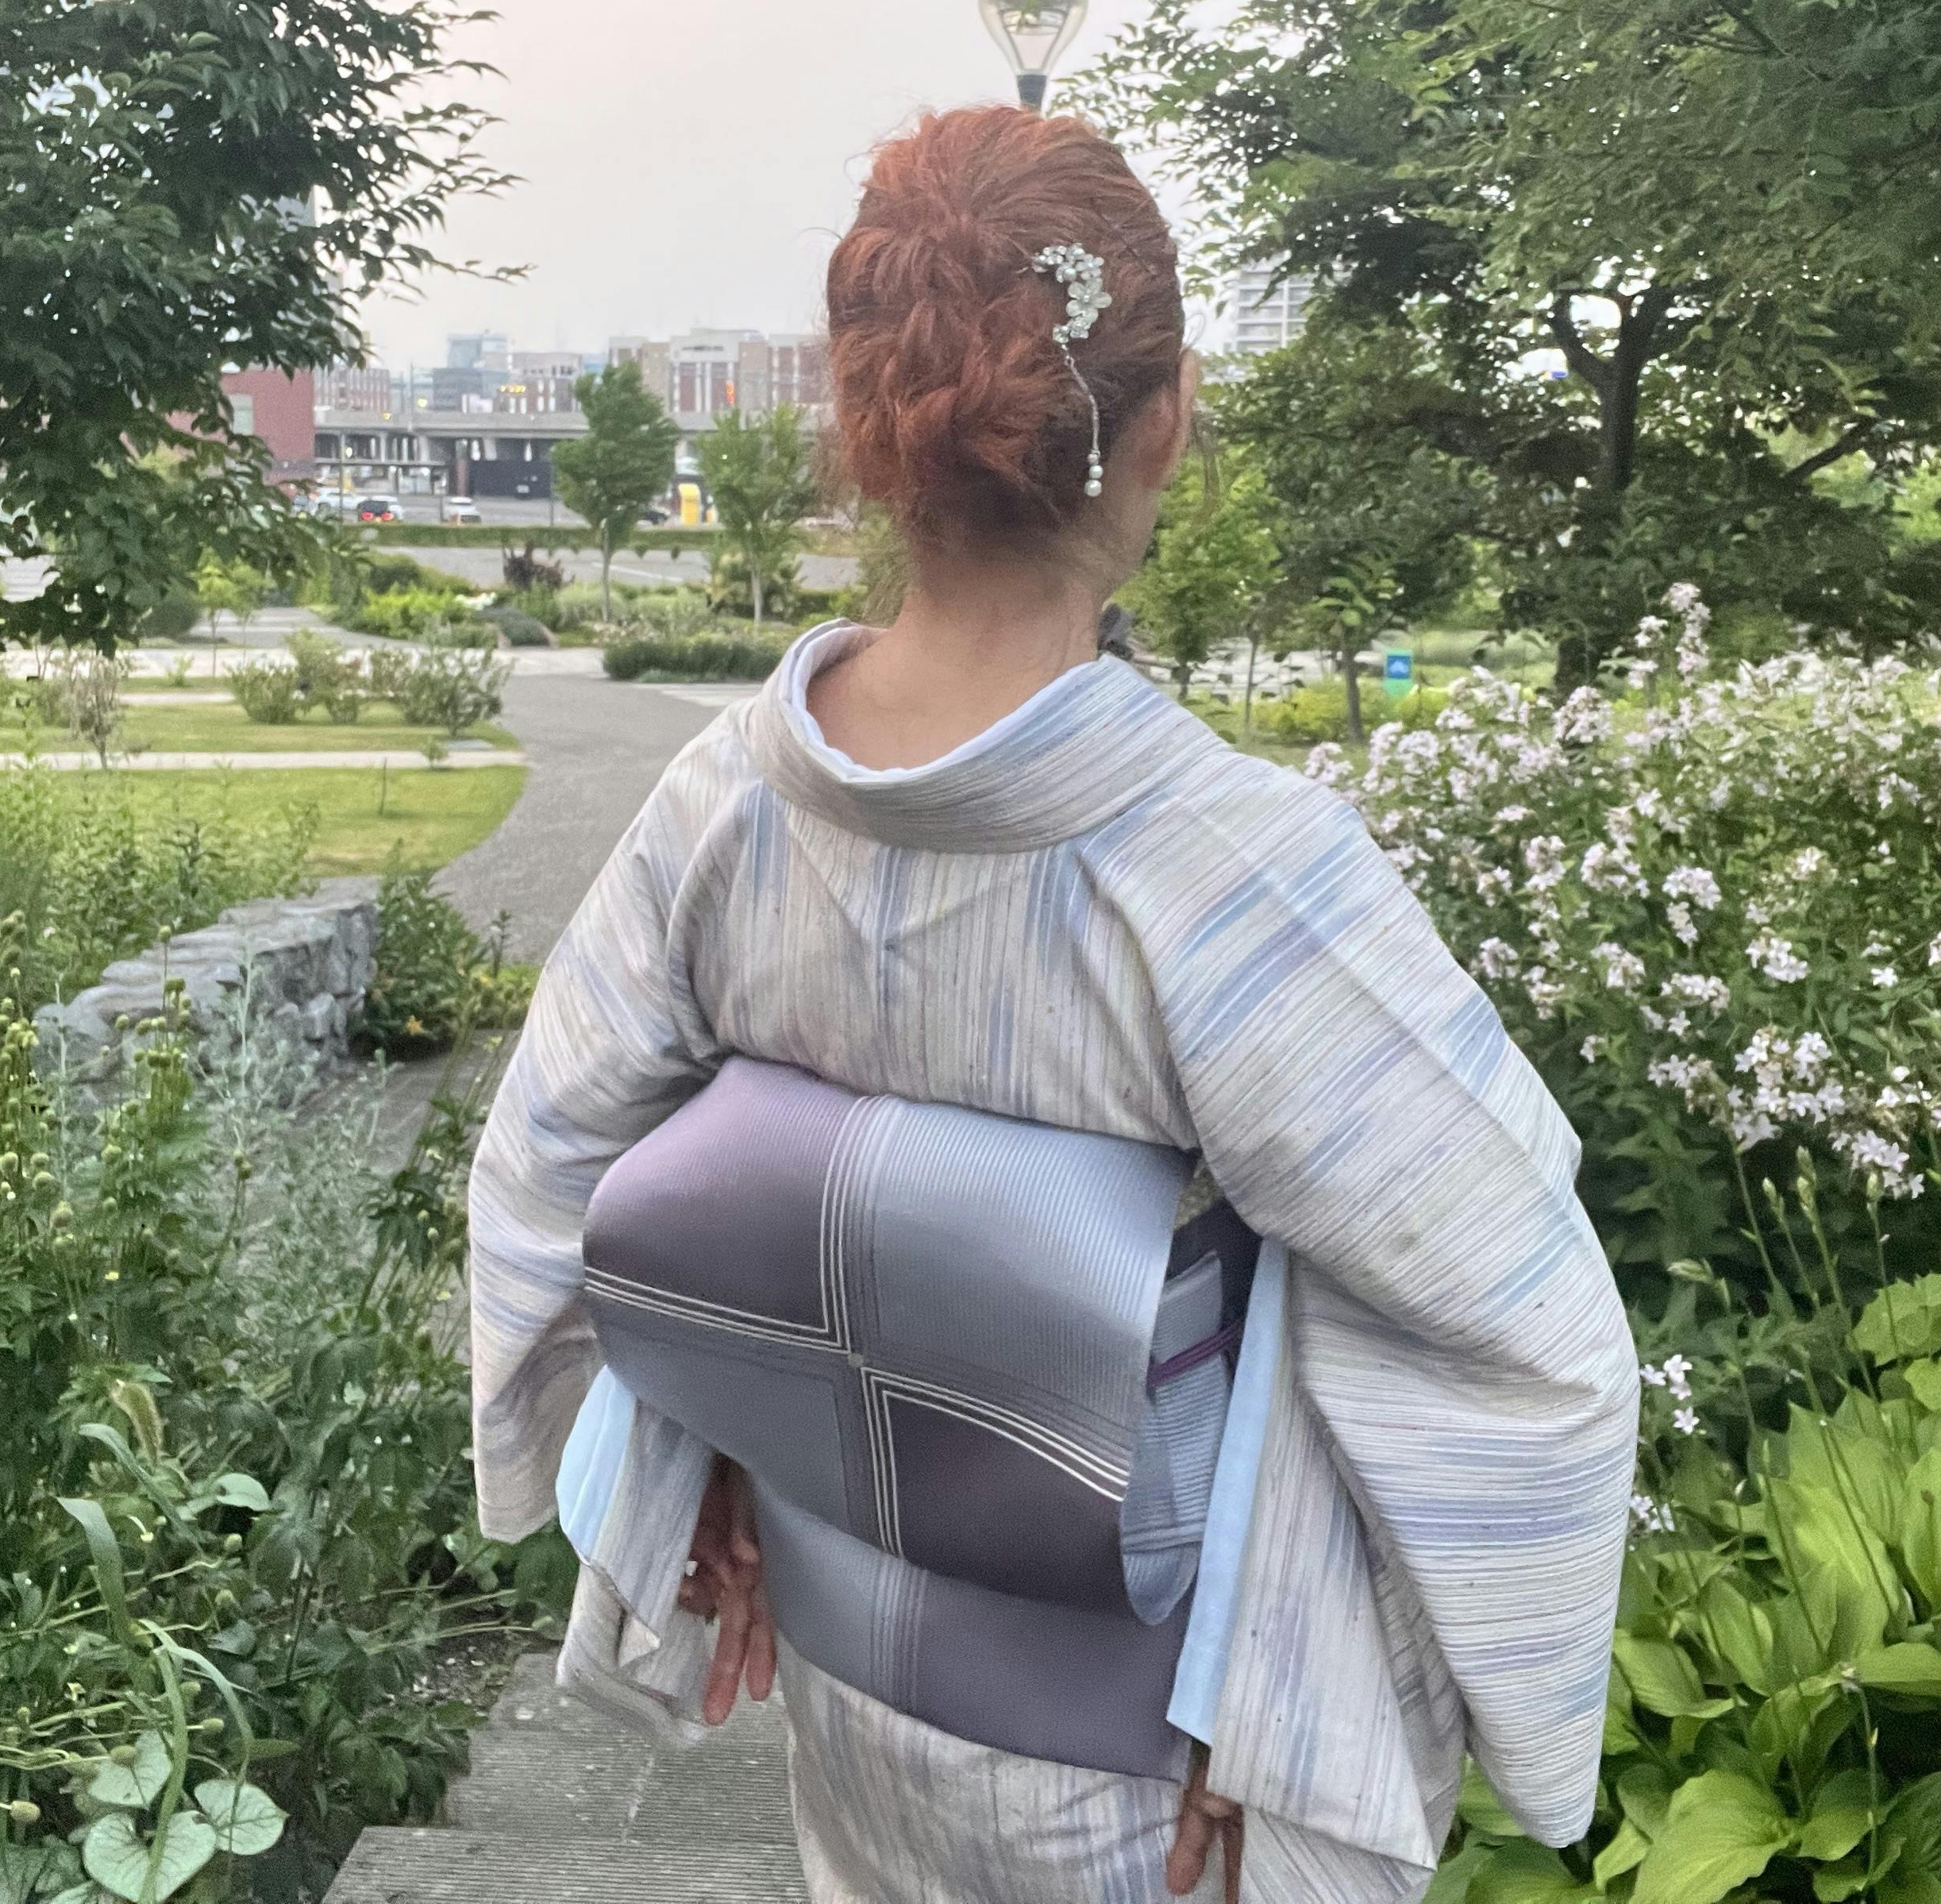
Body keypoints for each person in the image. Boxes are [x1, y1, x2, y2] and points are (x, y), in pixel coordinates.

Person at [465, 106, 1637, 1903]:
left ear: (869, 431)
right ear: (1165, 420)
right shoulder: (1224, 870)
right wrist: (1286, 1693)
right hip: (1148, 1769)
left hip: (856, 1706)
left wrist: (704, 1444)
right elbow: (1520, 1337)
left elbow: (550, 1170)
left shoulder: (728, 807)